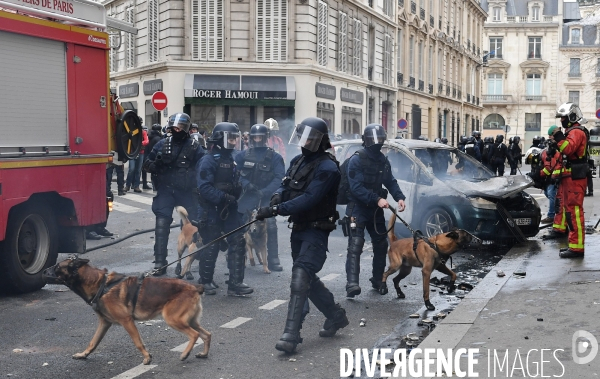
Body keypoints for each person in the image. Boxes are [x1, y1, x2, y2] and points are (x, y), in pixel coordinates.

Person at [254, 117, 348, 354]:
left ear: (320, 141)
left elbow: (310, 199)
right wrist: (277, 196)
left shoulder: (328, 168)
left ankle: (291, 335)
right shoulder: (297, 161)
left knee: (300, 276)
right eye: (303, 137)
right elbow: (285, 185)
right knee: (306, 278)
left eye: (310, 139)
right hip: (299, 228)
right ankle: (336, 316)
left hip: (317, 229)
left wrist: (276, 210)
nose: (304, 143)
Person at [343, 124, 406, 298]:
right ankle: (352, 283)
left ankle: (378, 279)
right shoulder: (356, 160)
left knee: (381, 244)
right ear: (366, 141)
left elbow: (390, 181)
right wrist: (377, 199)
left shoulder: (382, 160)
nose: (378, 144)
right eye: (374, 141)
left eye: (380, 141)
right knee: (356, 245)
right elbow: (356, 188)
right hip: (358, 207)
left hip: (375, 209)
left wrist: (399, 197)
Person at [143, 113, 205, 275]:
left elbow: (204, 166)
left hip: (187, 191)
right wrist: (155, 164)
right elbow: (146, 164)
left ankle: (201, 257)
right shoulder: (162, 144)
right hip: (166, 189)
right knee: (162, 224)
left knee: (197, 224)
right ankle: (160, 262)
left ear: (185, 129)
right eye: (173, 128)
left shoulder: (194, 146)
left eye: (179, 128)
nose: (175, 130)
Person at [196, 122, 254, 296]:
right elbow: (204, 188)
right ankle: (205, 282)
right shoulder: (207, 160)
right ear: (221, 139)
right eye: (231, 138)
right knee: (212, 244)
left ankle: (235, 283)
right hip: (212, 209)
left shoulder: (233, 159)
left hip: (231, 208)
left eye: (235, 138)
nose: (235, 142)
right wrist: (223, 197)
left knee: (238, 241)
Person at [235, 123, 286, 271]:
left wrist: (266, 191)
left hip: (266, 196)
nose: (257, 139)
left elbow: (279, 178)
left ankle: (273, 259)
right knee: (240, 225)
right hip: (247, 195)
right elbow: (236, 174)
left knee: (270, 225)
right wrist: (246, 184)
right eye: (255, 136)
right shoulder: (242, 155)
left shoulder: (275, 157)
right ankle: (237, 256)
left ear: (265, 138)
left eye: (260, 137)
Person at [552, 103, 589, 258]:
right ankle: (574, 245)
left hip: (575, 178)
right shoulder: (572, 131)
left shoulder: (576, 132)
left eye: (563, 117)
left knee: (574, 212)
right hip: (571, 177)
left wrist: (559, 138)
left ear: (572, 117)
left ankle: (576, 248)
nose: (561, 120)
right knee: (570, 210)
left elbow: (568, 149)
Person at [530, 125, 563, 226]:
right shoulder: (551, 148)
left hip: (554, 177)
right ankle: (555, 213)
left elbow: (550, 166)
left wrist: (539, 174)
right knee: (549, 194)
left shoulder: (555, 149)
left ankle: (552, 215)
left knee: (552, 195)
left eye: (551, 135)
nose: (550, 138)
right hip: (552, 177)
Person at [125, 124, 149, 193]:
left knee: (138, 170)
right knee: (131, 169)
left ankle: (136, 186)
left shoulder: (143, 132)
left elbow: (146, 140)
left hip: (140, 152)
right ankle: (128, 185)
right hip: (133, 152)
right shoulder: (131, 132)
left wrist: (139, 143)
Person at [145, 124, 163, 191]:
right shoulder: (158, 139)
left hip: (150, 156)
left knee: (152, 172)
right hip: (156, 157)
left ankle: (152, 185)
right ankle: (156, 187)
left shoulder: (149, 137)